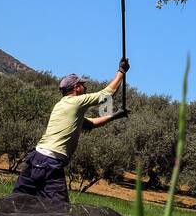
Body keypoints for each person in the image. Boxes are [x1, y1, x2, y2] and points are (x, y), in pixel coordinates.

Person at [13, 60, 130, 203]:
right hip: (50, 163)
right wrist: (121, 71)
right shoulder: (76, 102)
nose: (85, 86)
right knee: (60, 211)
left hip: (35, 158)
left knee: (17, 202)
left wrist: (114, 116)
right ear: (76, 88)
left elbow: (91, 124)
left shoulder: (62, 105)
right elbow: (107, 94)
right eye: (82, 84)